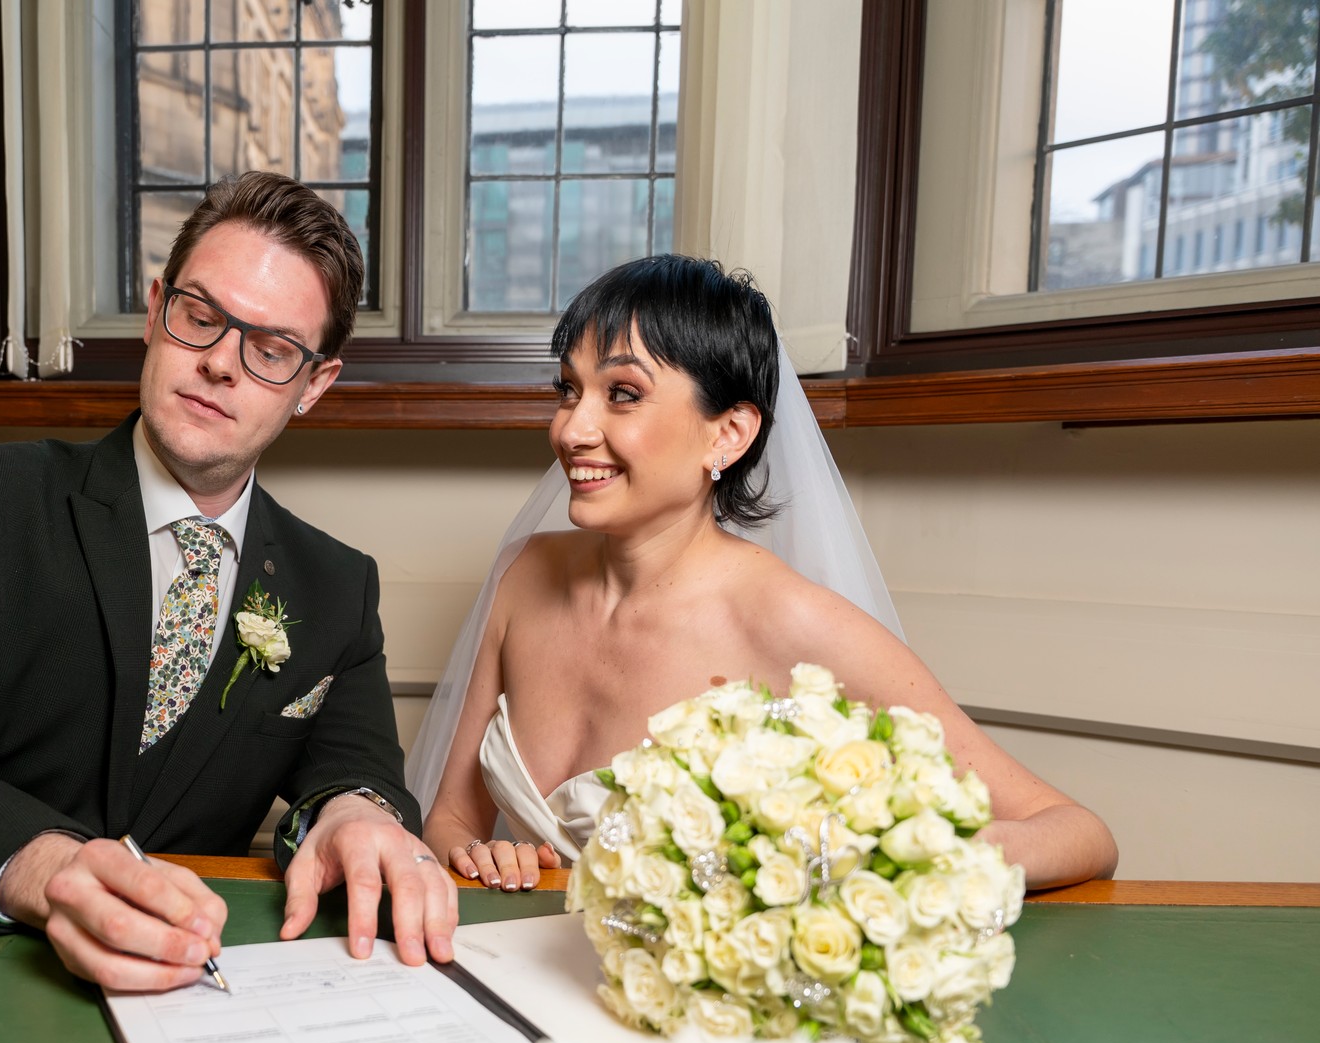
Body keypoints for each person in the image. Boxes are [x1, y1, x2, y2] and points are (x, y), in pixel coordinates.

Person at [0, 171, 457, 991]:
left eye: (272, 350)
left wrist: (353, 815)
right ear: (155, 310)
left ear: (316, 384)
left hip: (195, 992)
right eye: (200, 317)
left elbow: (355, 774)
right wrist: (53, 875)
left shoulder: (337, 586)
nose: (219, 364)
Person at [412, 256, 1117, 893]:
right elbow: (449, 815)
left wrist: (894, 861)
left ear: (729, 434)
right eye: (569, 389)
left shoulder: (793, 620)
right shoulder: (524, 571)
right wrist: (478, 856)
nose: (570, 430)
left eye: (622, 393)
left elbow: (1079, 831)